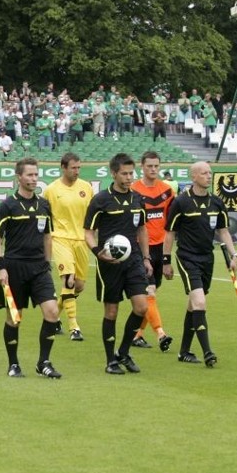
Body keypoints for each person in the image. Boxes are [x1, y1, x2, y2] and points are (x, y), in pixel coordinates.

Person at [0, 158, 62, 378]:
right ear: (19, 177)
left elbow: (48, 235)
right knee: (14, 317)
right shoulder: (8, 205)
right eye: (29, 175)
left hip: (39, 268)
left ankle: (44, 362)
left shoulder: (43, 204)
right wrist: (0, 267)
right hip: (14, 268)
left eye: (35, 174)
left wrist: (47, 262)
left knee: (52, 312)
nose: (34, 178)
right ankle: (13, 364)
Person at [163, 161, 237, 368]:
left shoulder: (216, 202)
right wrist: (166, 261)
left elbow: (223, 231)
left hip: (207, 258)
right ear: (194, 176)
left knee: (193, 305)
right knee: (200, 303)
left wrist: (234, 255)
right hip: (187, 257)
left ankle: (184, 351)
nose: (208, 176)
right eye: (204, 173)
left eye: (210, 173)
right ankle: (208, 352)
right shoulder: (181, 202)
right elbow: (169, 234)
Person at [84, 153, 152, 375]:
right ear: (113, 173)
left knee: (142, 307)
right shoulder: (101, 200)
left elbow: (142, 229)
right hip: (109, 263)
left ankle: (123, 352)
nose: (129, 177)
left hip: (133, 261)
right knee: (111, 311)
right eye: (124, 173)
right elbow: (88, 232)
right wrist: (97, 252)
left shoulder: (137, 199)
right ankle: (110, 360)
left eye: (131, 173)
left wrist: (146, 257)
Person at [42, 152, 93, 341]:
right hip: (60, 238)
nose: (77, 171)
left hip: (81, 240)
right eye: (73, 168)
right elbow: (44, 217)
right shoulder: (51, 190)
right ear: (63, 167)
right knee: (68, 280)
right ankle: (74, 327)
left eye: (79, 167)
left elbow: (92, 214)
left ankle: (54, 316)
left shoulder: (86, 187)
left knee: (78, 286)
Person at [130, 151, 175, 351]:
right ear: (142, 166)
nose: (153, 169)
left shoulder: (167, 191)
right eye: (149, 166)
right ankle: (160, 333)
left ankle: (137, 335)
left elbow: (171, 224)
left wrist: (167, 257)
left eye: (156, 166)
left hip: (160, 247)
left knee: (151, 293)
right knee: (150, 292)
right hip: (140, 248)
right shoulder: (133, 190)